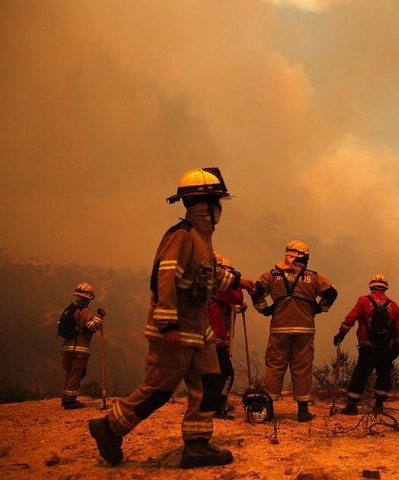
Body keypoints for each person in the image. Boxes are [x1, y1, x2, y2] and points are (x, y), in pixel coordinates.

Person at [88, 167, 255, 469]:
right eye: (217, 203)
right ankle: (110, 427)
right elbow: (164, 279)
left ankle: (197, 446)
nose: (220, 210)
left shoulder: (203, 239)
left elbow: (204, 276)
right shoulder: (182, 236)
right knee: (159, 390)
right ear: (204, 204)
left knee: (210, 385)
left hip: (198, 331)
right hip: (177, 330)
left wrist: (238, 282)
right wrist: (168, 325)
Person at [251, 240, 338, 422]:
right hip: (305, 330)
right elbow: (331, 294)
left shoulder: (273, 275)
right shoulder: (313, 277)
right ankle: (303, 411)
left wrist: (264, 309)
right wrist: (319, 308)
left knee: (275, 366)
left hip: (279, 329)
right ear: (304, 258)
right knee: (302, 367)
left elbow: (255, 291)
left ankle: (267, 409)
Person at [334, 274, 399, 415]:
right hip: (386, 348)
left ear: (371, 286)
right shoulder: (393, 305)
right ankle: (378, 405)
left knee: (360, 374)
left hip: (367, 347)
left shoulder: (363, 301)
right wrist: (396, 345)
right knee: (384, 375)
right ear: (385, 288)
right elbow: (398, 328)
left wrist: (341, 334)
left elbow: (351, 318)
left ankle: (352, 405)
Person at [208, 254, 246, 419]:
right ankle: (218, 406)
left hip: (205, 336)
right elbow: (237, 297)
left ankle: (210, 403)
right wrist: (235, 282)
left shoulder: (205, 286)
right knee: (226, 373)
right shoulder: (219, 287)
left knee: (208, 373)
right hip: (215, 338)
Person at [60, 282, 105, 410]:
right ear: (89, 298)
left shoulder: (70, 309)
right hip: (79, 349)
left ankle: (65, 397)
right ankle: (70, 401)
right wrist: (100, 317)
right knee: (76, 373)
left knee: (70, 373)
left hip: (67, 348)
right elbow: (90, 327)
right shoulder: (84, 311)